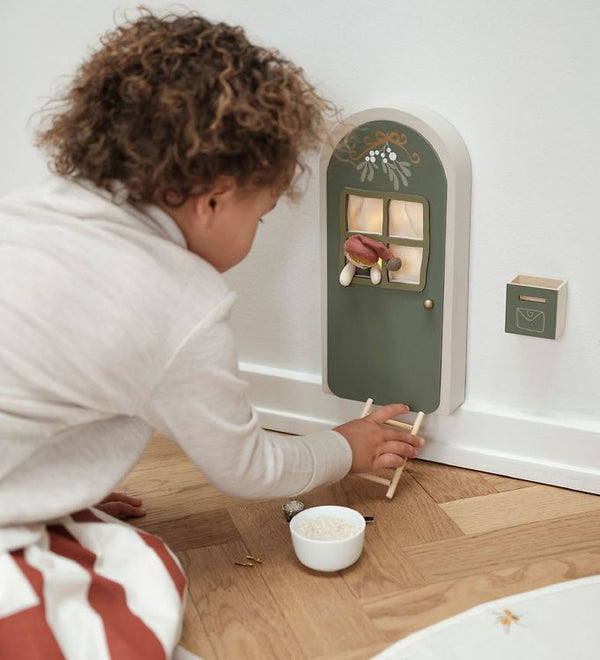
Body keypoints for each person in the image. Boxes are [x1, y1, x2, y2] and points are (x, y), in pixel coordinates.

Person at [0, 8, 425, 659]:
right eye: (260, 217)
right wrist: (345, 447)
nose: (256, 237)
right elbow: (248, 468)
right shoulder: (179, 303)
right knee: (127, 596)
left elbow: (32, 381)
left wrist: (60, 473)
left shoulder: (35, 211)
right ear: (212, 201)